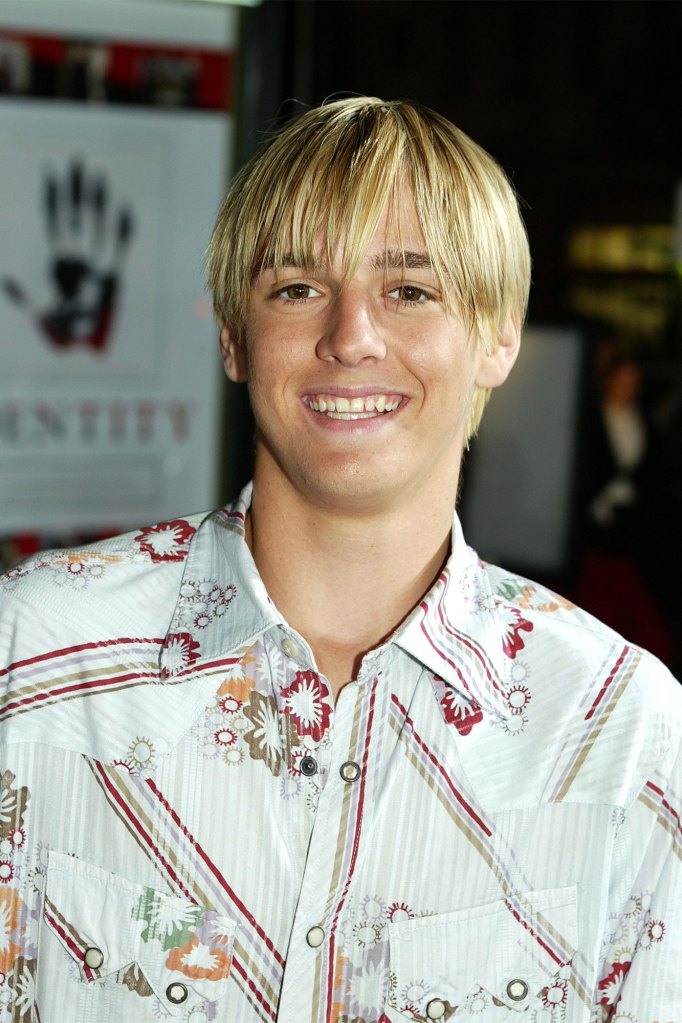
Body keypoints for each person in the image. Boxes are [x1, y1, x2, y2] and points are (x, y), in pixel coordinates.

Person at [0, 97, 680, 1023]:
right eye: (297, 288)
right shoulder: (36, 657)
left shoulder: (620, 731)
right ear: (235, 337)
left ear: (500, 336)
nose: (352, 336)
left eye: (410, 289)